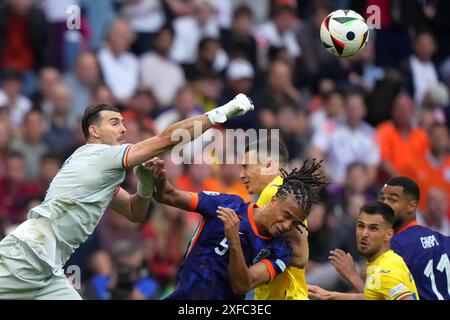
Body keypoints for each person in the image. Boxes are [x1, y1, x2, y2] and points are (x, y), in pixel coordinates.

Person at [0, 93, 254, 300]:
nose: (122, 128)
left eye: (123, 122)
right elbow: (166, 139)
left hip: (49, 265)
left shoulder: (99, 172)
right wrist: (221, 113)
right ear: (94, 132)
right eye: (113, 123)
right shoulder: (98, 153)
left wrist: (144, 185)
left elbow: (135, 213)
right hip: (27, 253)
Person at [148, 157, 327, 299]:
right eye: (286, 215)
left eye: (295, 223)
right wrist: (158, 178)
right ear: (274, 200)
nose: (287, 225)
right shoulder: (227, 204)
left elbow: (242, 285)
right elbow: (168, 196)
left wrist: (234, 241)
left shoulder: (280, 252)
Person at [327, 177, 450, 300]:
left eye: (392, 200)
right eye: (382, 198)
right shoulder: (443, 240)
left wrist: (352, 275)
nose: (384, 204)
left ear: (411, 206)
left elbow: (376, 297)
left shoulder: (393, 247)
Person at [240, 138, 309, 300]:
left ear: (268, 165)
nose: (241, 175)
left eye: (246, 167)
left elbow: (300, 257)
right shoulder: (281, 192)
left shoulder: (274, 192)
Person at [308, 201, 419, 300]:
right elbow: (372, 296)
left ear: (388, 234)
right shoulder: (386, 260)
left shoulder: (386, 272)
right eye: (361, 226)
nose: (364, 234)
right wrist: (328, 295)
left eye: (373, 228)